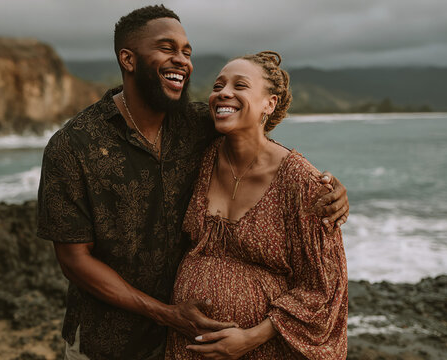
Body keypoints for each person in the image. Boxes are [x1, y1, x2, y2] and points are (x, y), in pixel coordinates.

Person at [36, 5, 349, 360]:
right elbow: (74, 260)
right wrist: (166, 313)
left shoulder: (197, 123)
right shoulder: (73, 146)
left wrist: (324, 187)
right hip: (108, 339)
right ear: (128, 59)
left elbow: (254, 138)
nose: (182, 60)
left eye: (187, 52)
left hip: (187, 344)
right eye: (167, 48)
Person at [165, 52, 347, 359]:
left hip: (260, 351)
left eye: (240, 85)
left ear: (269, 104)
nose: (224, 92)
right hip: (188, 345)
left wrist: (250, 338)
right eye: (218, 85)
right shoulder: (200, 155)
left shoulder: (301, 182)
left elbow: (325, 286)